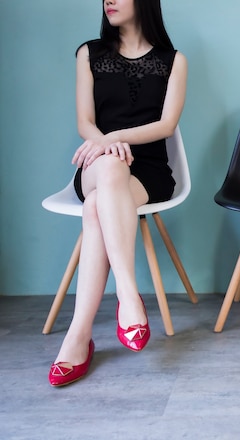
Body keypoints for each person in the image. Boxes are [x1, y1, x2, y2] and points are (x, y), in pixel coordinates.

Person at [48, 0, 187, 387]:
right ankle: (128, 293)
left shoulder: (173, 60)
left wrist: (118, 138)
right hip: (95, 165)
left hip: (148, 172)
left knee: (96, 208)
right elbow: (84, 122)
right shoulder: (89, 53)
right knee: (109, 167)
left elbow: (166, 124)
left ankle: (78, 337)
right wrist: (108, 147)